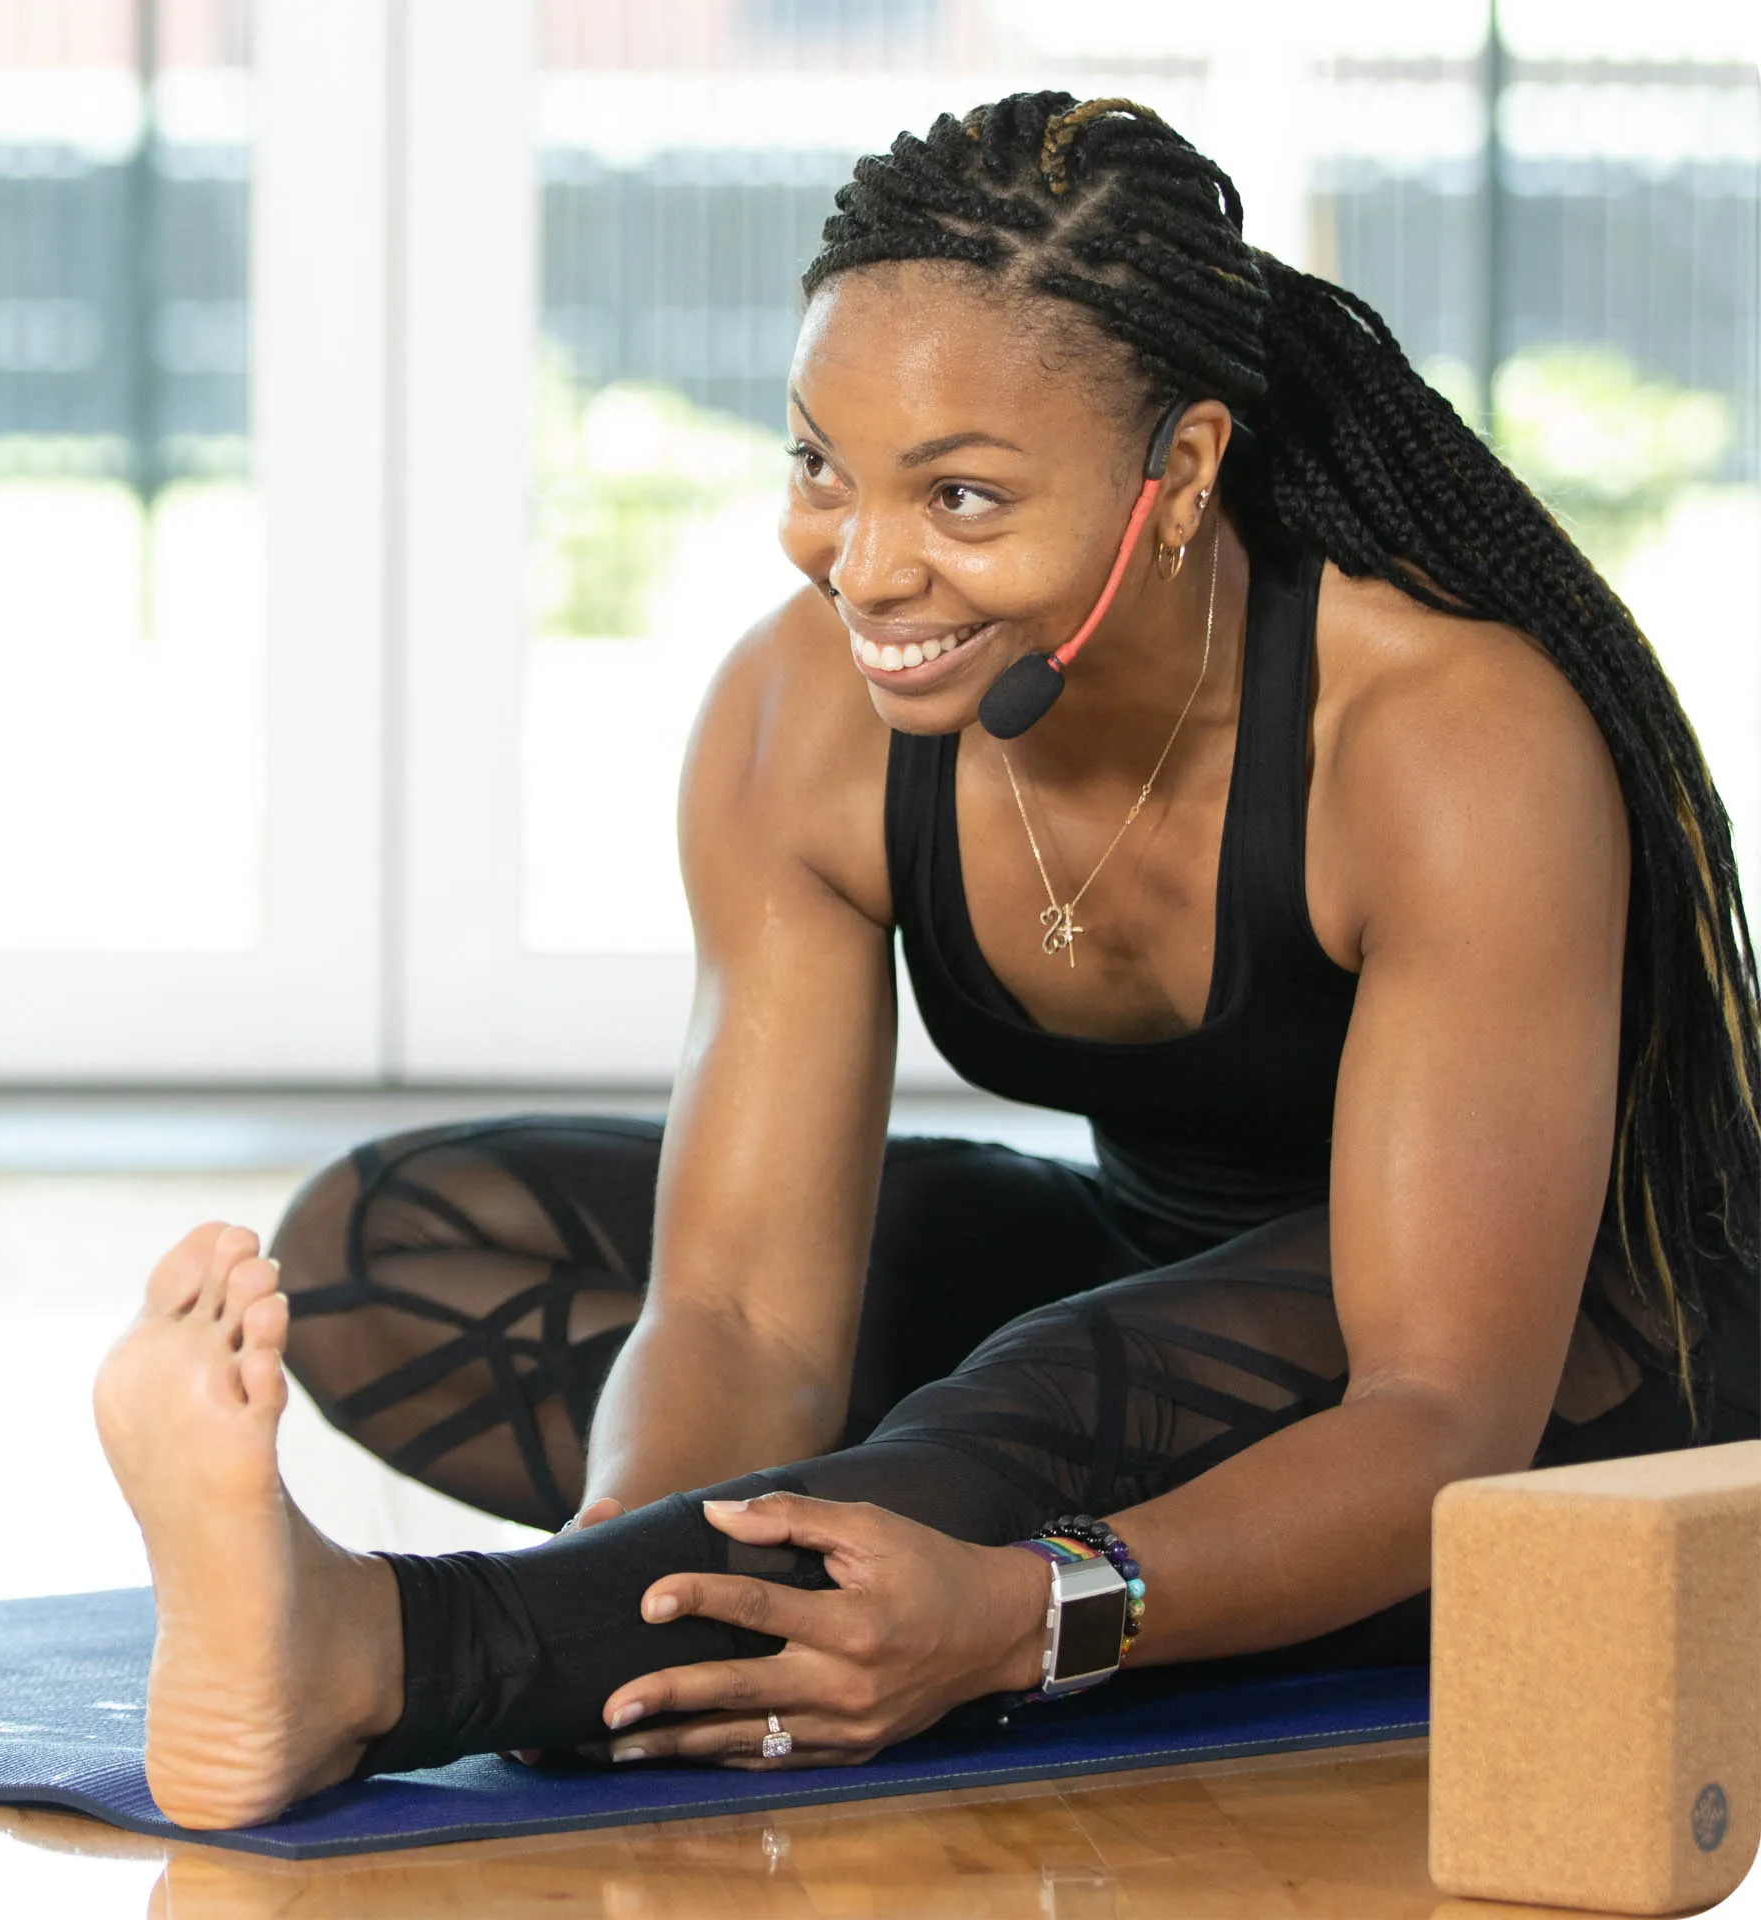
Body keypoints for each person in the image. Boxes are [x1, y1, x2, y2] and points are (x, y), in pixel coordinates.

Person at [93, 93, 1760, 1831]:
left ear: (1175, 473)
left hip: (1588, 1352)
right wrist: (620, 1594)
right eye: (820, 465)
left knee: (1048, 1398)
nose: (865, 566)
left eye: (961, 494)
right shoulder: (798, 715)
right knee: (398, 1246)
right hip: (1157, 1276)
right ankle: (711, 1580)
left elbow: (1438, 1408)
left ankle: (372, 1649)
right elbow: (738, 1312)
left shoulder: (1443, 737)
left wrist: (1023, 1615)